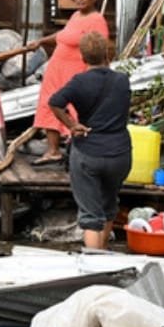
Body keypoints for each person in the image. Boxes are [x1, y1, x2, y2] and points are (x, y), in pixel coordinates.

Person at [48, 32, 133, 250]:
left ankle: (94, 267)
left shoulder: (79, 82)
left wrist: (72, 125)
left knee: (91, 215)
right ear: (107, 53)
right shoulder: (122, 81)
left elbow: (55, 102)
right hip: (119, 155)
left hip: (88, 154)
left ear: (83, 58)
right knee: (108, 205)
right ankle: (103, 256)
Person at [32, 0, 109, 165]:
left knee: (74, 111)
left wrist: (99, 76)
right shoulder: (76, 16)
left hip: (76, 72)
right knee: (49, 105)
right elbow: (64, 35)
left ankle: (78, 154)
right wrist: (41, 41)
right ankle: (53, 151)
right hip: (56, 69)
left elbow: (100, 48)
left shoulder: (96, 20)